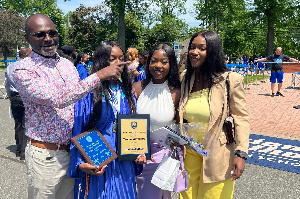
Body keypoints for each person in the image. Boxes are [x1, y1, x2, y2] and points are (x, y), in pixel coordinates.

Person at [12, 14, 127, 199]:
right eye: (40, 34)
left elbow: (81, 104)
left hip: (73, 152)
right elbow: (59, 98)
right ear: (27, 38)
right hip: (45, 156)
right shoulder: (22, 70)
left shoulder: (67, 65)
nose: (48, 39)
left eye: (52, 33)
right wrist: (99, 75)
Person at [68, 41, 145, 199]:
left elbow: (134, 127)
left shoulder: (127, 92)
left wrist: (139, 150)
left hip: (124, 162)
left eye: (121, 58)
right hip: (99, 158)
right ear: (102, 61)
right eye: (112, 59)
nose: (118, 63)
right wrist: (80, 163)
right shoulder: (89, 93)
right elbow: (79, 130)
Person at [178, 30, 250, 199]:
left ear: (212, 51)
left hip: (217, 152)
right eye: (192, 47)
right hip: (189, 152)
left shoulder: (229, 80)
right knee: (186, 196)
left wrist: (241, 153)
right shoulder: (186, 78)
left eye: (201, 48)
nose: (195, 52)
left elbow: (241, 118)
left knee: (213, 195)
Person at [133, 44, 181, 199]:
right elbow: (129, 121)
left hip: (164, 156)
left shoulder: (176, 92)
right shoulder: (137, 88)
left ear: (171, 64)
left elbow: (181, 125)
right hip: (138, 154)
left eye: (164, 61)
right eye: (154, 61)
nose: (158, 66)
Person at [5, 47, 31, 161]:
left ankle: (19, 150)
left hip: (15, 97)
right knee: (27, 124)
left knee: (18, 124)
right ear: (27, 55)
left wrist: (10, 96)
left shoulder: (10, 67)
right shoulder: (30, 67)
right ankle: (25, 152)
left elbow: (7, 84)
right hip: (26, 97)